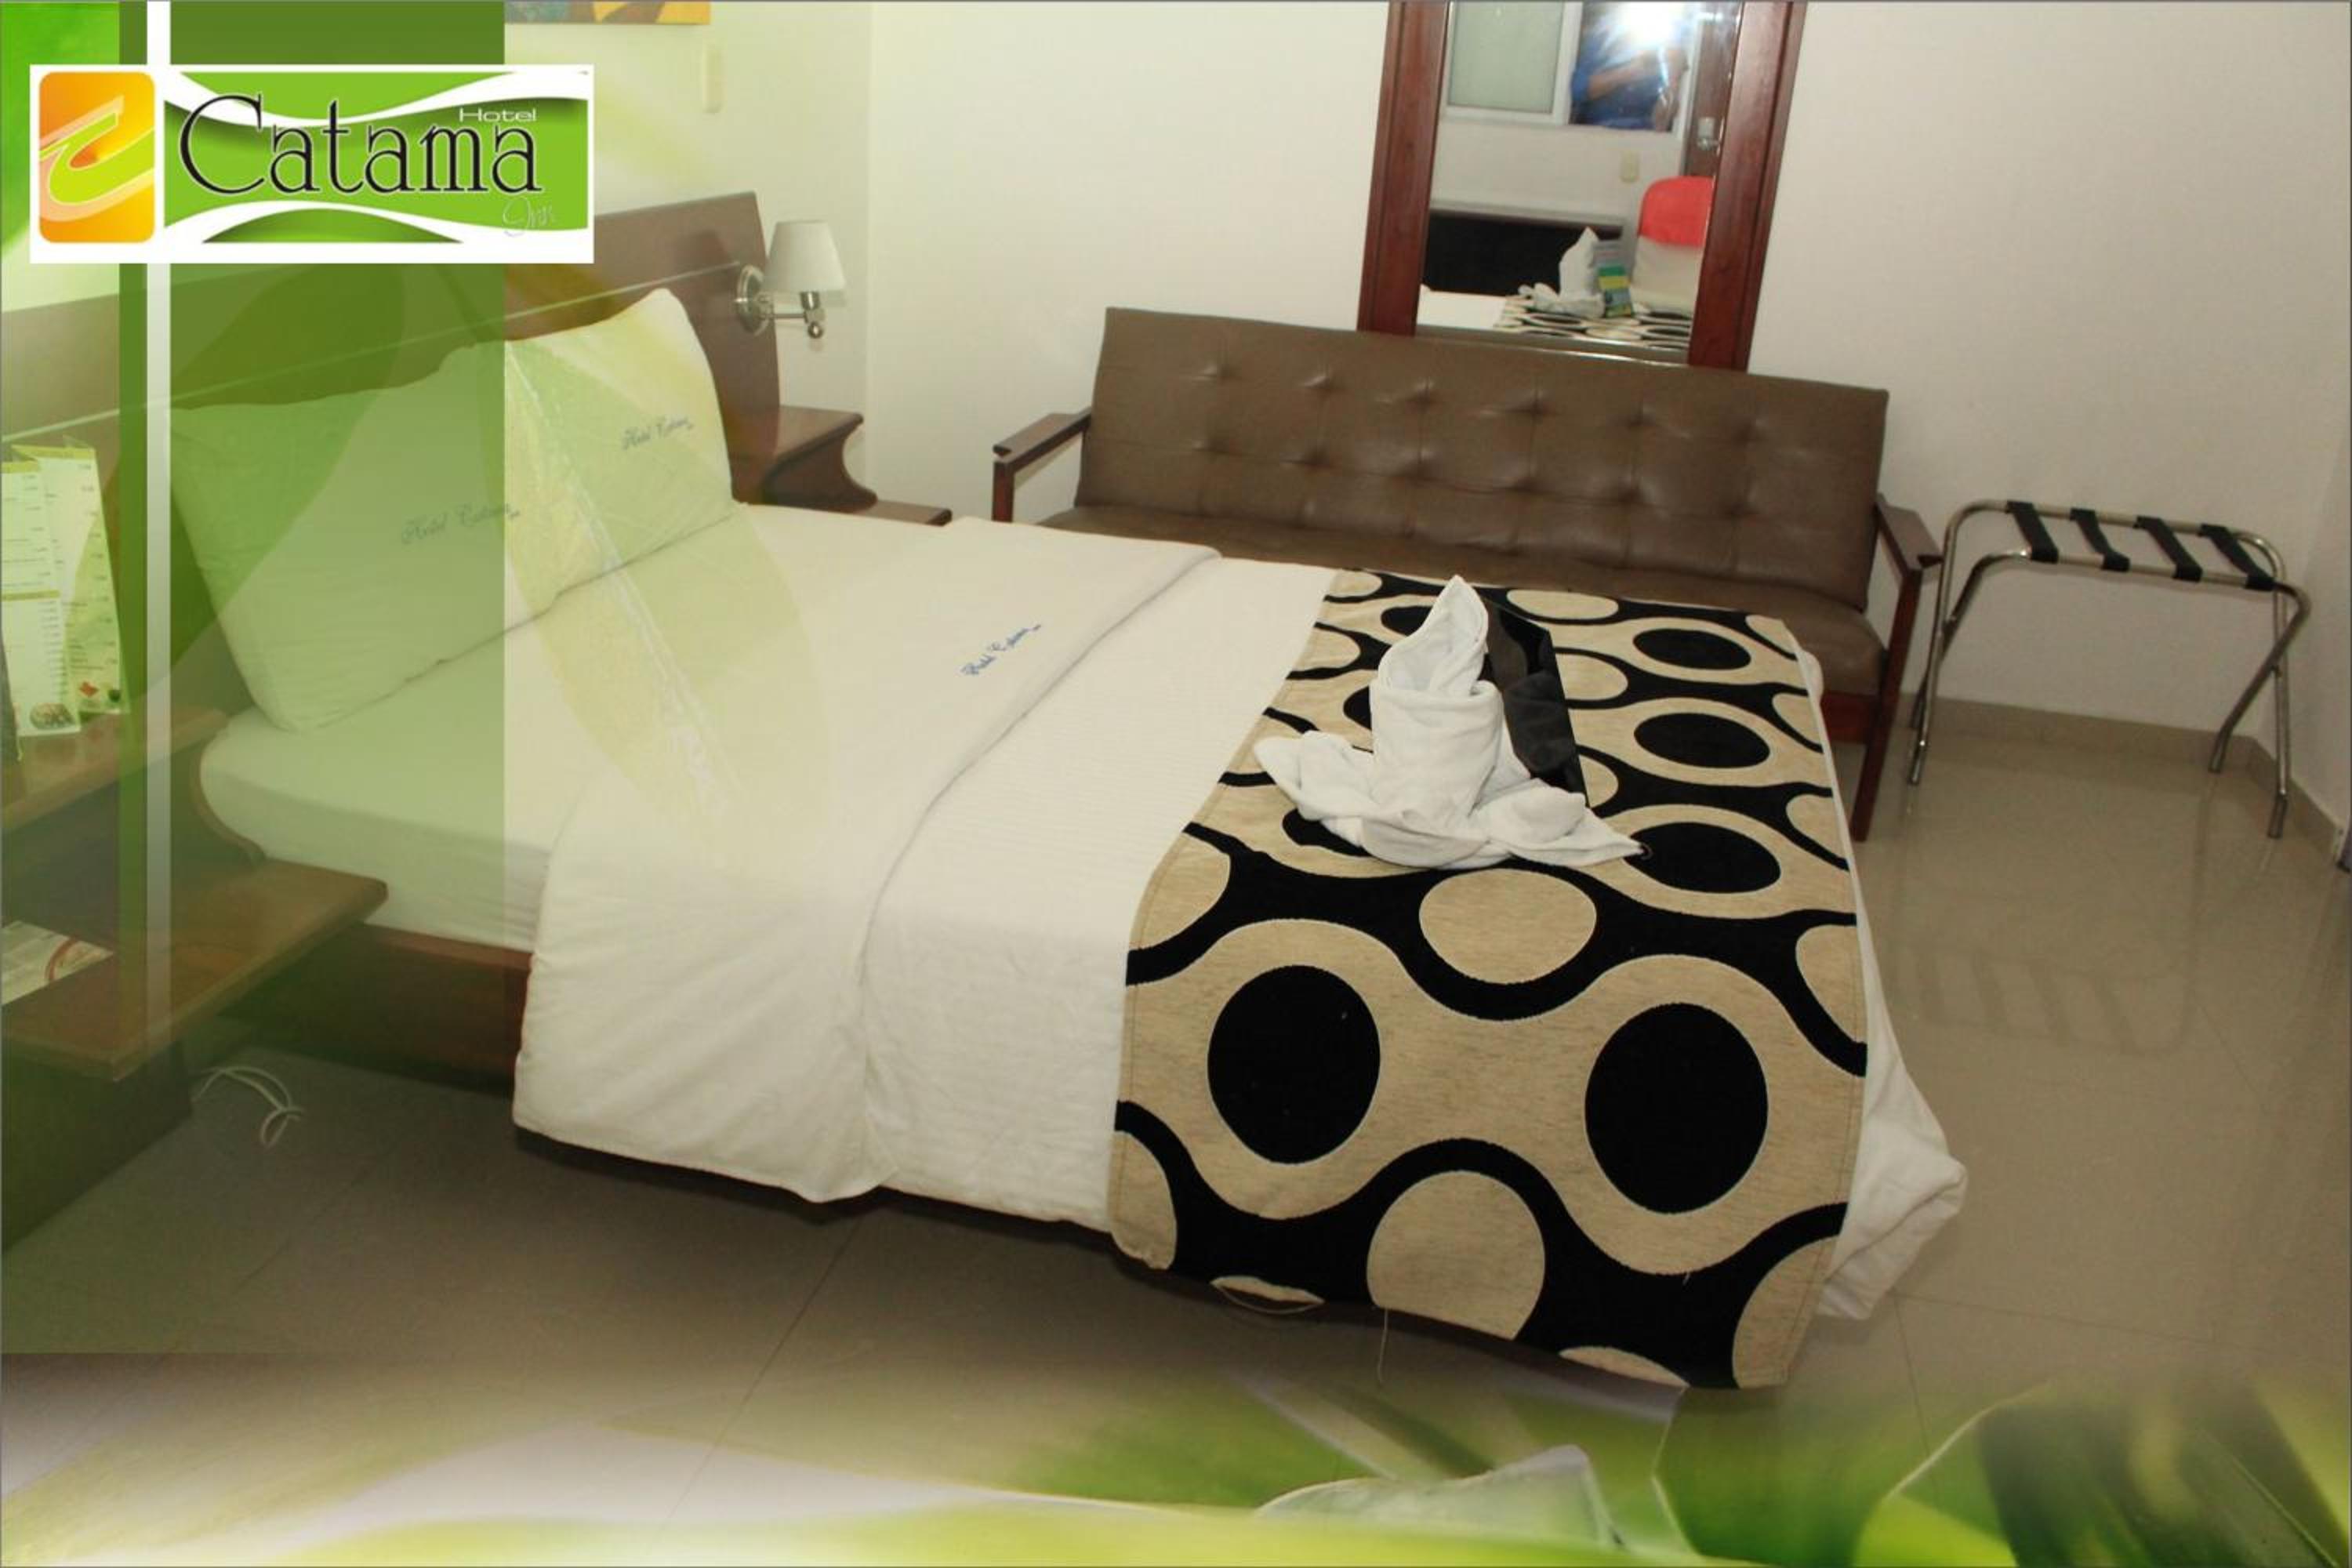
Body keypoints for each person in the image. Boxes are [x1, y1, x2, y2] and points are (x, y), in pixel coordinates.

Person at [1569, 2, 1690, 132]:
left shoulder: (1671, 33)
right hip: (1595, 132)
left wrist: (1673, 82)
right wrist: (1632, 71)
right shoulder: (1604, 33)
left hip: (1644, 134)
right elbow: (1578, 90)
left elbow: (1663, 123)